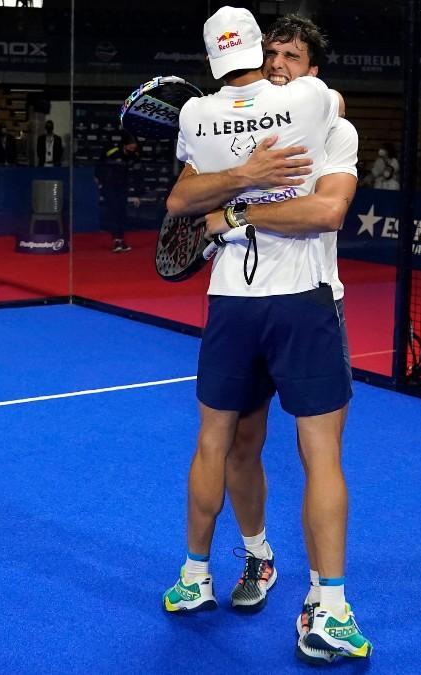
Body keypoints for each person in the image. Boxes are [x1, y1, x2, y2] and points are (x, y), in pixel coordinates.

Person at [160, 5, 371, 661]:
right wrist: (241, 183)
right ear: (256, 55)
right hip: (234, 301)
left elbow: (327, 210)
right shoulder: (228, 122)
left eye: (292, 58)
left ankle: (327, 606)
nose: (279, 66)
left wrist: (236, 209)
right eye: (271, 54)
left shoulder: (333, 127)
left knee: (319, 454)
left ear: (311, 68)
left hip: (306, 299)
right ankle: (250, 556)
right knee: (235, 445)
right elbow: (182, 196)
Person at [94, 134, 140, 252]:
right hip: (109, 187)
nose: (132, 150)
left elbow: (136, 175)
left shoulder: (134, 157)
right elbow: (99, 165)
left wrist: (136, 195)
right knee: (114, 211)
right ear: (125, 145)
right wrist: (99, 179)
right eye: (130, 148)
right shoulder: (112, 152)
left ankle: (121, 239)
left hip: (122, 187)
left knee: (122, 212)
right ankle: (115, 241)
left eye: (134, 148)